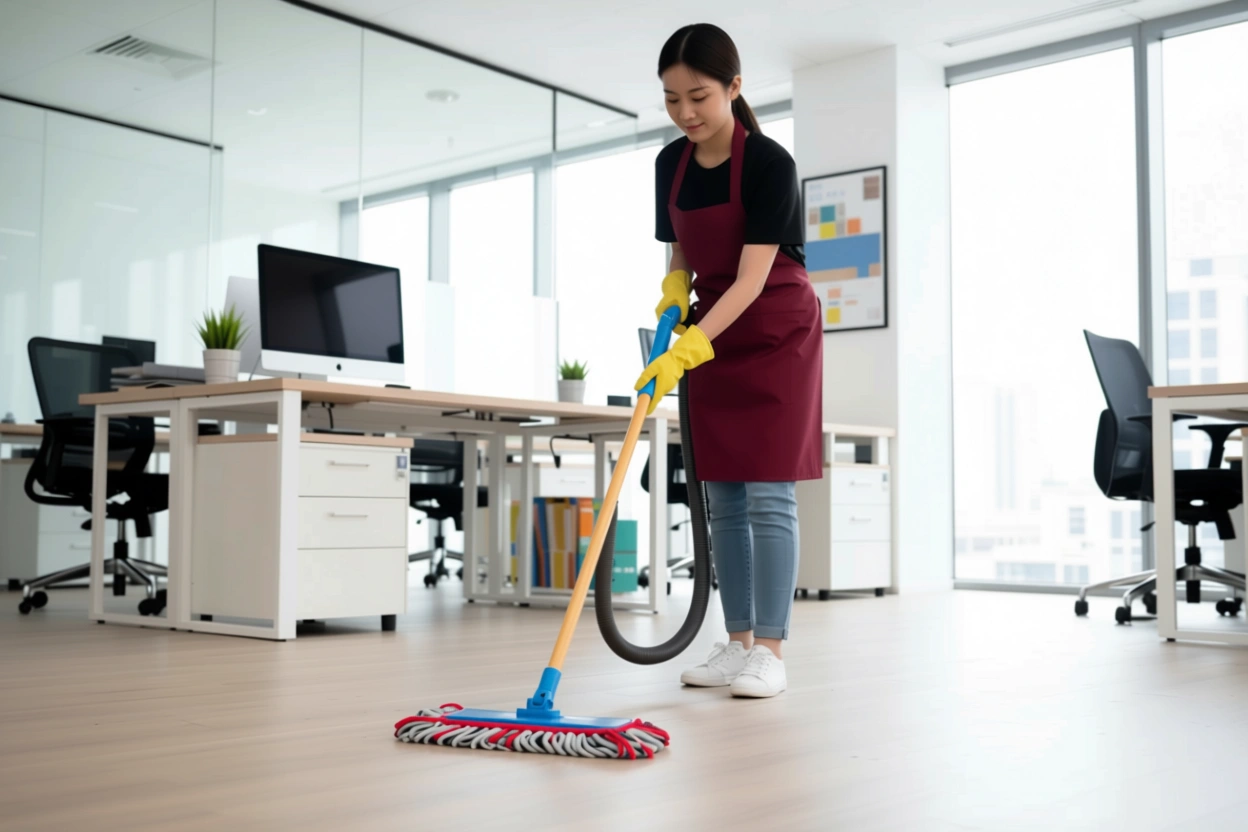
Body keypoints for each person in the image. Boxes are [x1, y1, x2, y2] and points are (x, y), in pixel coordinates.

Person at [636, 23, 823, 699]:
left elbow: (750, 280)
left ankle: (769, 651)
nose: (686, 112)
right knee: (722, 499)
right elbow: (683, 254)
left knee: (769, 492)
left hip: (773, 329)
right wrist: (668, 307)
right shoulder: (670, 164)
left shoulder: (771, 164)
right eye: (671, 99)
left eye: (700, 96)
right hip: (711, 325)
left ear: (734, 88)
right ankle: (735, 641)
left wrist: (690, 344)